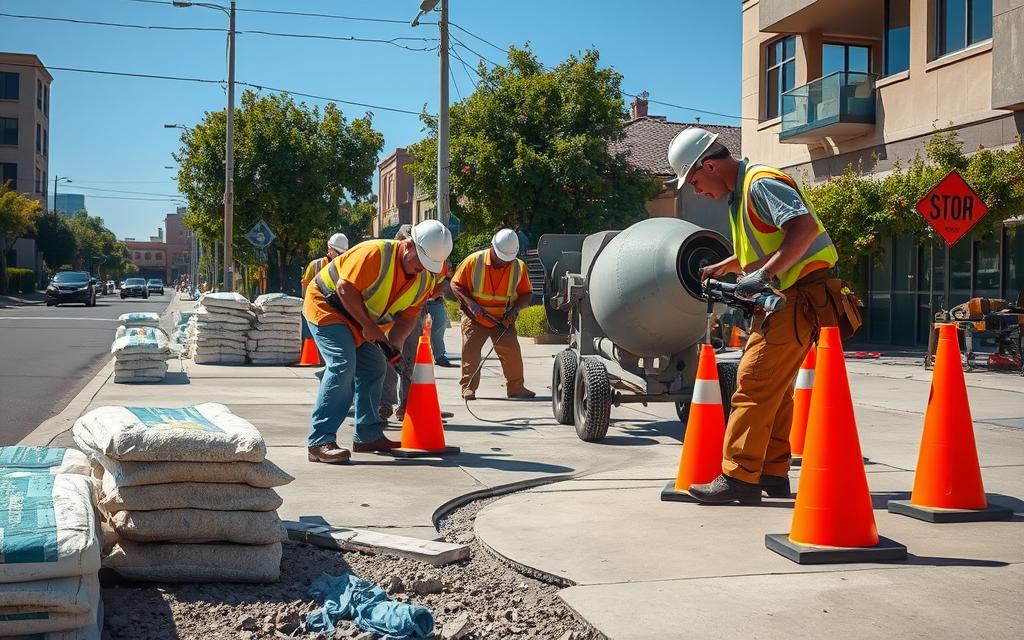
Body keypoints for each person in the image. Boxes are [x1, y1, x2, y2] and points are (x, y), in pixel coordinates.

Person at [665, 127, 850, 505]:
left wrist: (763, 276)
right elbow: (769, 246)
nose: (696, 190)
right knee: (776, 391)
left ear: (710, 165)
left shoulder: (760, 182)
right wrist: (728, 265)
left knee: (752, 383)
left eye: (695, 180)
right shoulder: (742, 193)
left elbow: (803, 228)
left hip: (795, 296)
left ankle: (739, 476)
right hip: (788, 297)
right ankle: (771, 471)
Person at [303, 220, 453, 464]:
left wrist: (393, 346)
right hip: (328, 305)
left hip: (362, 319)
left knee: (375, 367)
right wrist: (369, 325)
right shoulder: (375, 253)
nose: (422, 269)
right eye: (420, 262)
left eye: (429, 266)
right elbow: (345, 290)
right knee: (343, 364)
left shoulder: (425, 277)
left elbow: (407, 318)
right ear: (408, 245)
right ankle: (320, 440)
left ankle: (367, 434)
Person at [451, 228, 535, 401]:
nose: (504, 264)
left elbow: (526, 293)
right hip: (475, 317)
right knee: (471, 352)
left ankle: (516, 388)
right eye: (501, 259)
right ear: (492, 247)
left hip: (503, 319)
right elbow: (456, 284)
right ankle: (468, 388)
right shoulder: (474, 261)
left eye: (507, 261)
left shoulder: (518, 266)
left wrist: (515, 309)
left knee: (512, 351)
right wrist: (471, 304)